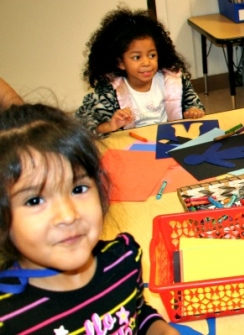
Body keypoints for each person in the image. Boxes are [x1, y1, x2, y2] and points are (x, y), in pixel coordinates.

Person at [0, 104, 178, 334]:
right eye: (35, 201)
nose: (68, 215)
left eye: (78, 188)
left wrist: (161, 329)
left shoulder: (123, 259)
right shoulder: (7, 315)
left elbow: (134, 312)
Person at [75, 7, 205, 137]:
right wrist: (110, 126)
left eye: (152, 55)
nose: (146, 63)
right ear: (120, 63)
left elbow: (193, 103)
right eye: (137, 57)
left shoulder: (174, 80)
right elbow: (86, 125)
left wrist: (193, 110)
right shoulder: (110, 90)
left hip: (170, 140)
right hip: (132, 146)